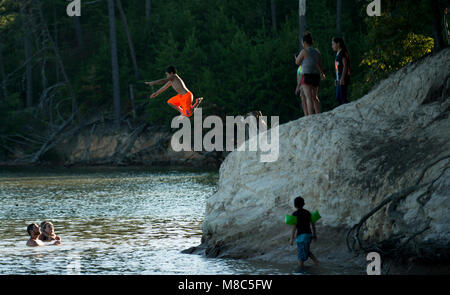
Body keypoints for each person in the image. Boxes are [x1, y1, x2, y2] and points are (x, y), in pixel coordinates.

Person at [295, 32, 325, 116]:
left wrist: (296, 58)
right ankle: (318, 113)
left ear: (304, 43)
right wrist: (322, 73)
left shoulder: (304, 51)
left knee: (308, 97)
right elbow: (319, 64)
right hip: (315, 75)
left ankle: (310, 115)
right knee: (315, 96)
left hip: (307, 75)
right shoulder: (317, 52)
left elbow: (297, 62)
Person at [289, 196, 318, 272]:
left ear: (295, 205)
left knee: (300, 254)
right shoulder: (308, 212)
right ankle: (316, 262)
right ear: (304, 204)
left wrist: (291, 239)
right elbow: (313, 224)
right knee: (306, 250)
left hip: (301, 236)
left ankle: (300, 269)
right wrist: (314, 235)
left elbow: (294, 227)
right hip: (308, 235)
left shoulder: (295, 214)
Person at [332, 37, 351, 105]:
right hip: (339, 78)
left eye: (333, 44)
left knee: (342, 97)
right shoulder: (338, 53)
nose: (332, 46)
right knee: (338, 97)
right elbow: (338, 68)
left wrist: (342, 78)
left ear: (338, 44)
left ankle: (349, 109)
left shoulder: (343, 52)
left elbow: (345, 66)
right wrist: (336, 79)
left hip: (343, 77)